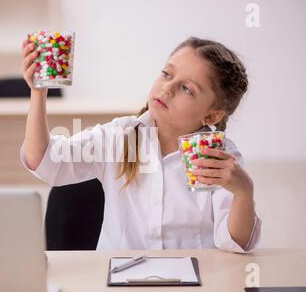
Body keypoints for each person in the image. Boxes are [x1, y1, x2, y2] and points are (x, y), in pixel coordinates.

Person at [19, 36, 261, 252]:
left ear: (211, 116)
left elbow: (235, 244)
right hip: (121, 286)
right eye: (167, 74)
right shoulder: (119, 136)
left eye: (187, 88)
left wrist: (243, 193)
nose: (167, 88)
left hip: (194, 285)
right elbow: (45, 161)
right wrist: (38, 94)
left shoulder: (219, 156)